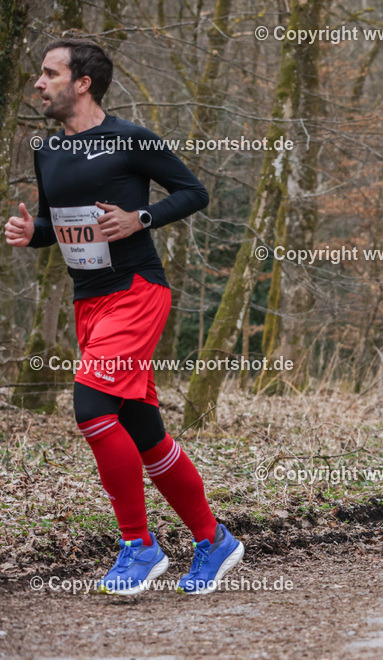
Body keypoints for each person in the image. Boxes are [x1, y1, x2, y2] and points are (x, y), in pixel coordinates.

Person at [4, 39, 243, 595]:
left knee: (89, 405)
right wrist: (31, 233)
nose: (39, 83)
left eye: (49, 73)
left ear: (82, 82)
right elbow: (56, 226)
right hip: (88, 299)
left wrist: (141, 217)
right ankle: (214, 540)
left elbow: (193, 192)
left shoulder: (129, 138)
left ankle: (138, 545)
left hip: (136, 291)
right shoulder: (48, 152)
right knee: (144, 432)